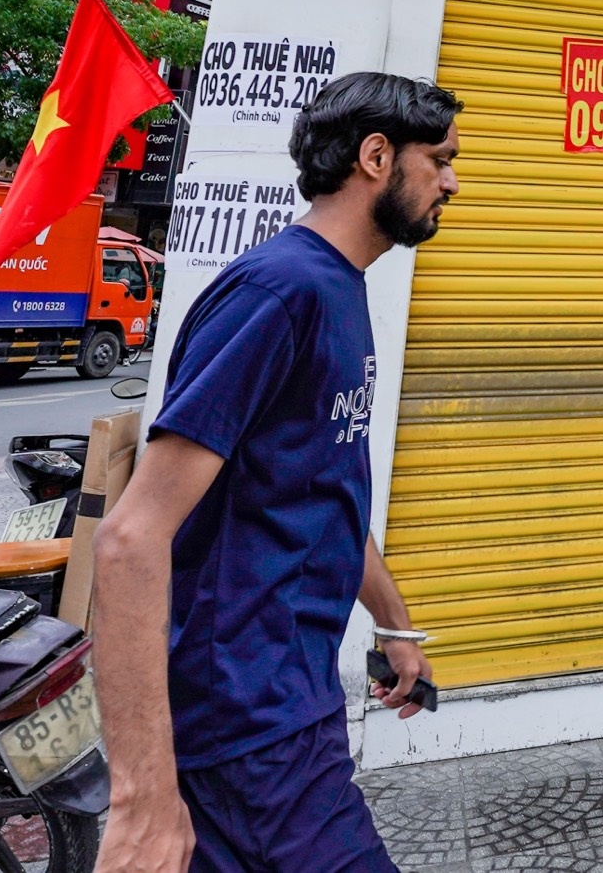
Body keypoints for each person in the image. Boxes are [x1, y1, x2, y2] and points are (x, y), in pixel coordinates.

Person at [95, 73, 463, 873]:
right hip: (247, 724)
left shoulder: (337, 287)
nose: (451, 181)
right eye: (437, 159)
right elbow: (131, 535)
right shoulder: (278, 291)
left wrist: (393, 625)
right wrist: (142, 797)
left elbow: (320, 487)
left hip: (285, 704)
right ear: (375, 156)